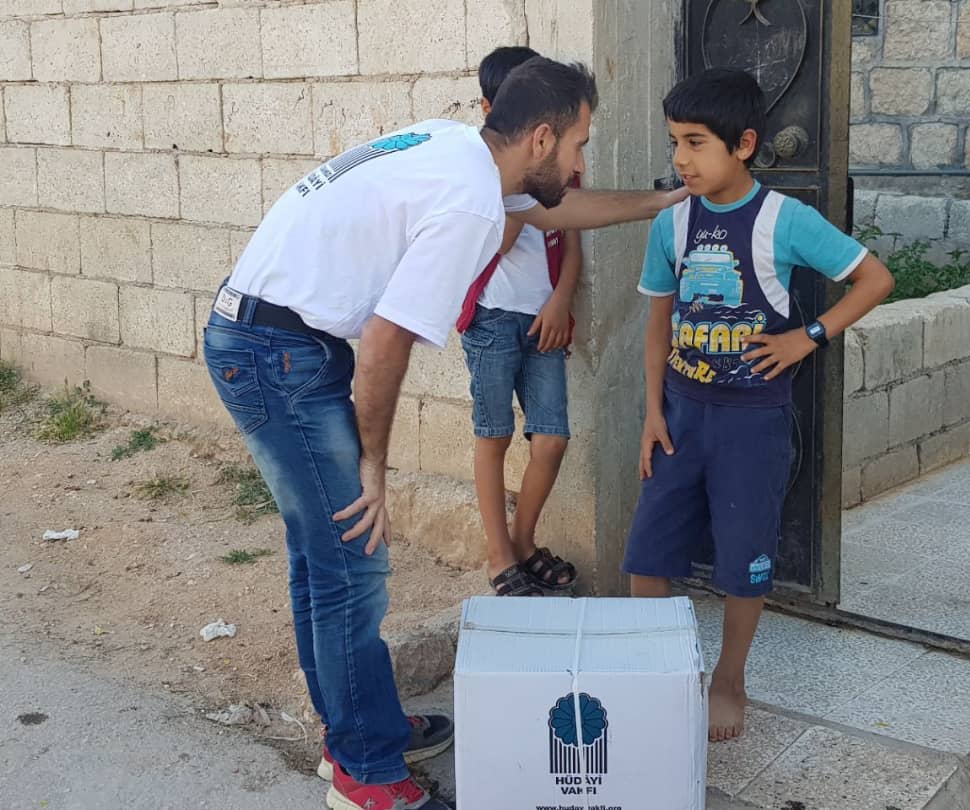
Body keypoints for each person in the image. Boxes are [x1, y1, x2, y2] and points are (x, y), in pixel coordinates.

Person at [202, 56, 688, 810]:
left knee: (324, 554)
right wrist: (373, 466)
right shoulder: (469, 202)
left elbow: (559, 211)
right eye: (578, 145)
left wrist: (665, 200)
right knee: (352, 561)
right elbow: (385, 342)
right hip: (277, 354)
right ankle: (365, 772)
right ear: (540, 138)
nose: (579, 163)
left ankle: (359, 729)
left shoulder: (457, 148)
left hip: (273, 339)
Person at [623, 68, 895, 744]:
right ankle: (660, 676)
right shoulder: (672, 223)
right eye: (674, 142)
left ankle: (729, 678)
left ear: (743, 144)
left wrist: (807, 337)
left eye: (696, 143)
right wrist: (652, 412)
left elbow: (874, 279)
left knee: (745, 560)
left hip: (753, 423)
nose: (681, 159)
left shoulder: (784, 220)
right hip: (680, 417)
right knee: (646, 556)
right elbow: (658, 326)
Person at [457, 46, 583, 598]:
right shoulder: (481, 175)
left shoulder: (561, 167)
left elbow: (573, 242)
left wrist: (561, 300)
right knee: (494, 435)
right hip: (491, 319)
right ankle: (498, 555)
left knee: (551, 439)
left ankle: (523, 541)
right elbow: (496, 244)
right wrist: (522, 184)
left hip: (543, 320)